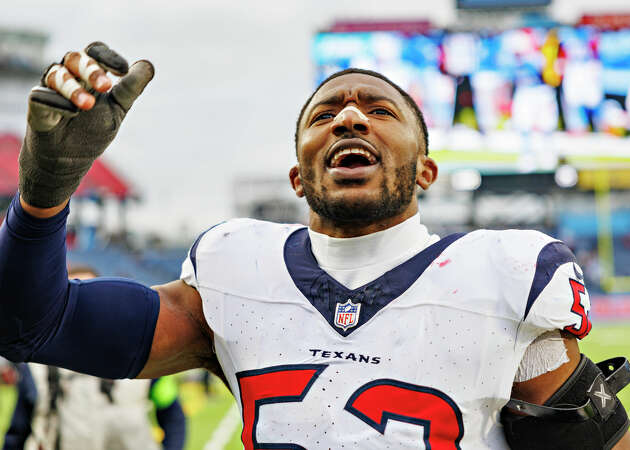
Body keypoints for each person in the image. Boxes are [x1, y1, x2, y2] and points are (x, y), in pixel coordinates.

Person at [0, 41, 628, 449]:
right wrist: (43, 193)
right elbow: (31, 326)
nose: (350, 118)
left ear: (425, 172)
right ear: (299, 175)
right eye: (325, 115)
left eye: (380, 111)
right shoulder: (230, 273)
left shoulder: (509, 272)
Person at [1, 266, 186, 450]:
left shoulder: (143, 356)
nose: (78, 306)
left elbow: (173, 416)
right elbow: (18, 432)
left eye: (86, 296)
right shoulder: (35, 368)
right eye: (69, 297)